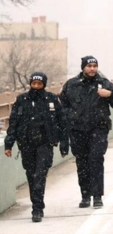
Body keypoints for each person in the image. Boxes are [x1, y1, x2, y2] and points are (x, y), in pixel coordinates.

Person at [60, 56, 113, 209]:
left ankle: (97, 196)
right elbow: (62, 106)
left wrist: (110, 95)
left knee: (96, 160)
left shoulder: (103, 83)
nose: (92, 69)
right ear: (83, 67)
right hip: (78, 130)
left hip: (98, 129)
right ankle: (85, 195)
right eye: (89, 66)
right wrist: (72, 115)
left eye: (95, 66)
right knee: (81, 163)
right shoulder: (72, 85)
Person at [4, 72, 69, 222]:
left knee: (40, 175)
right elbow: (13, 124)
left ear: (44, 85)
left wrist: (64, 145)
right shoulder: (22, 100)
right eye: (34, 84)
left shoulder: (51, 100)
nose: (36, 87)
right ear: (30, 84)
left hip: (45, 143)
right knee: (31, 175)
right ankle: (36, 202)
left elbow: (62, 123)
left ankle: (37, 208)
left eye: (39, 84)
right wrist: (9, 144)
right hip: (26, 144)